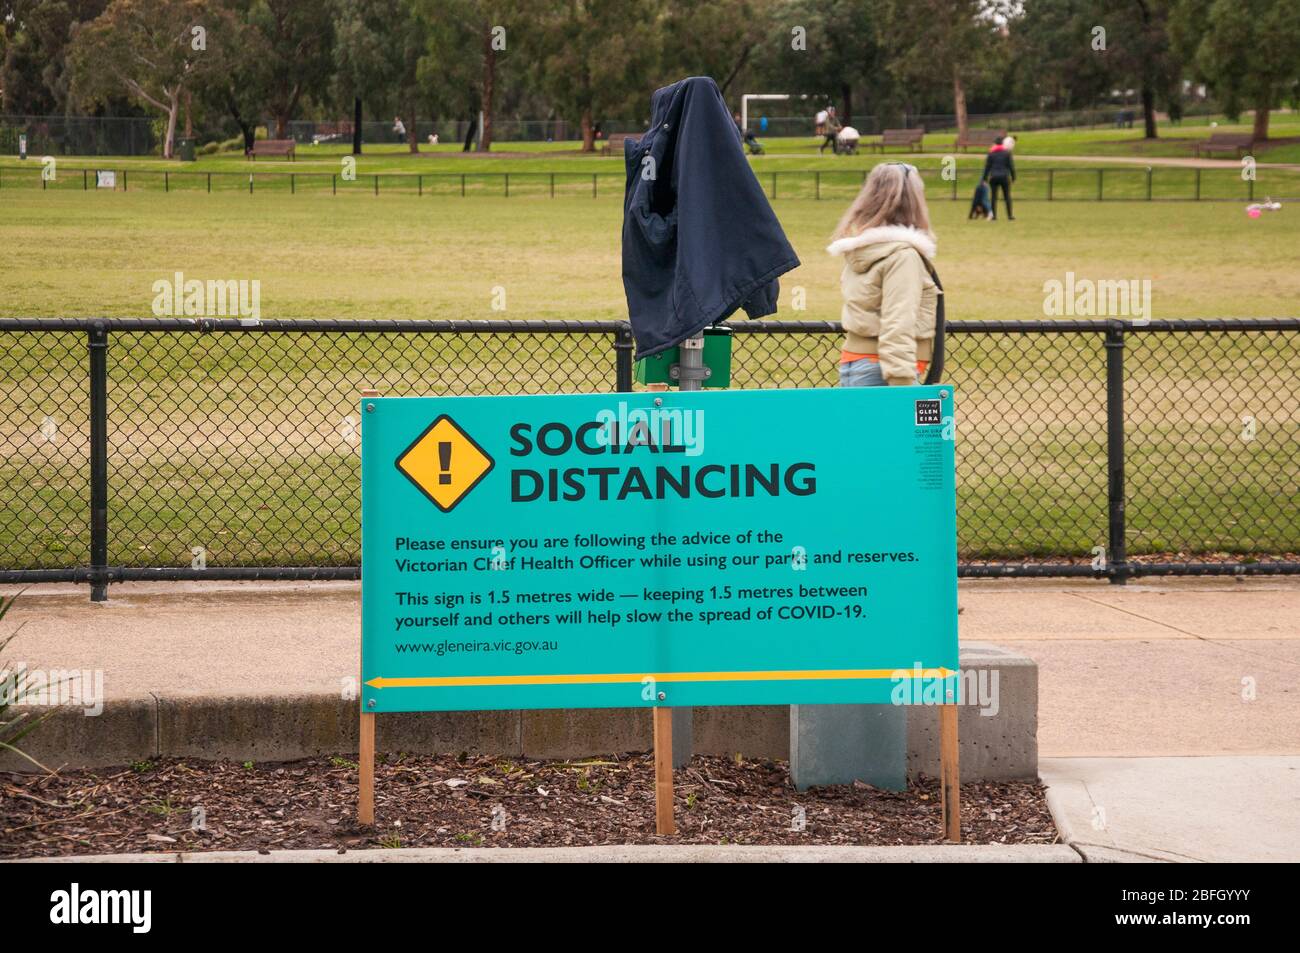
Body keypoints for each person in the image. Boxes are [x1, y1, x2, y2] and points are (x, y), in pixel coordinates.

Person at [826, 162, 943, 388]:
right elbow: (897, 324)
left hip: (857, 363)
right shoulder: (903, 256)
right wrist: (904, 386)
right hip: (885, 371)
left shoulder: (864, 250)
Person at [981, 134, 1015, 220]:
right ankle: (1010, 216)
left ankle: (994, 216)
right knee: (1007, 196)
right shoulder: (1007, 153)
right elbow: (1011, 166)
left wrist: (984, 178)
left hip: (994, 177)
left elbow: (987, 167)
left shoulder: (991, 154)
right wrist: (1013, 177)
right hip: (1004, 177)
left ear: (995, 144)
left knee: (993, 197)